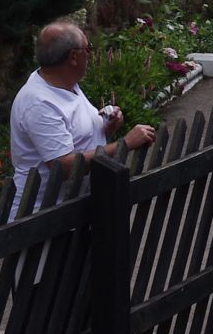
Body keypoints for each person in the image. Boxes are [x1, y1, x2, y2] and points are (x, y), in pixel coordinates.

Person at [9, 21, 156, 213]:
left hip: (74, 210)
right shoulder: (39, 103)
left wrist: (105, 126)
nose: (91, 54)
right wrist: (125, 144)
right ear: (73, 57)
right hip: (44, 219)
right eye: (89, 48)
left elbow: (76, 133)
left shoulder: (66, 84)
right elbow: (63, 167)